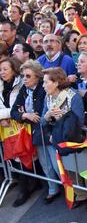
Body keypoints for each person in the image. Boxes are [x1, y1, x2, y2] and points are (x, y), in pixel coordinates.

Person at [40, 67, 85, 204]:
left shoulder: (73, 96)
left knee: (81, 169)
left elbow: (79, 121)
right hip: (56, 139)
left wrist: (62, 121)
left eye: (46, 82)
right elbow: (42, 121)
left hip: (73, 138)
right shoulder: (47, 97)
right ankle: (79, 194)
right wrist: (47, 116)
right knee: (67, 170)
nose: (43, 85)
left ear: (56, 82)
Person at [10, 61, 46, 207]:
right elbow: (14, 112)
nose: (24, 79)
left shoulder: (43, 89)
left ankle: (48, 187)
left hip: (41, 131)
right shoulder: (23, 90)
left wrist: (26, 114)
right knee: (24, 157)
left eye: (28, 76)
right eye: (23, 76)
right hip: (27, 130)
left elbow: (39, 112)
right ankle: (25, 189)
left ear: (37, 77)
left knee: (45, 162)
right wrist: (25, 115)